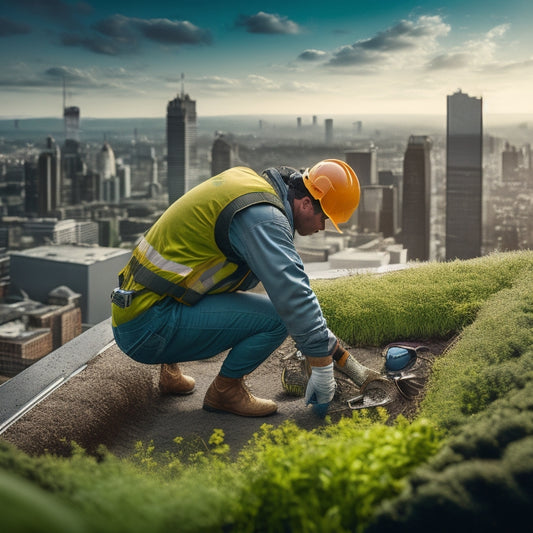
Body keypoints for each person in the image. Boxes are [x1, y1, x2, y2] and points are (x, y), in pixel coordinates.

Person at [111, 159, 362, 417]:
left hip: (138, 307)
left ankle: (170, 371)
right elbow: (293, 293)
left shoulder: (249, 185)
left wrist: (334, 349)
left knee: (209, 276)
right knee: (276, 319)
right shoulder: (265, 218)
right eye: (325, 219)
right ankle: (226, 392)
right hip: (147, 328)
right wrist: (320, 362)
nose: (321, 228)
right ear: (307, 203)